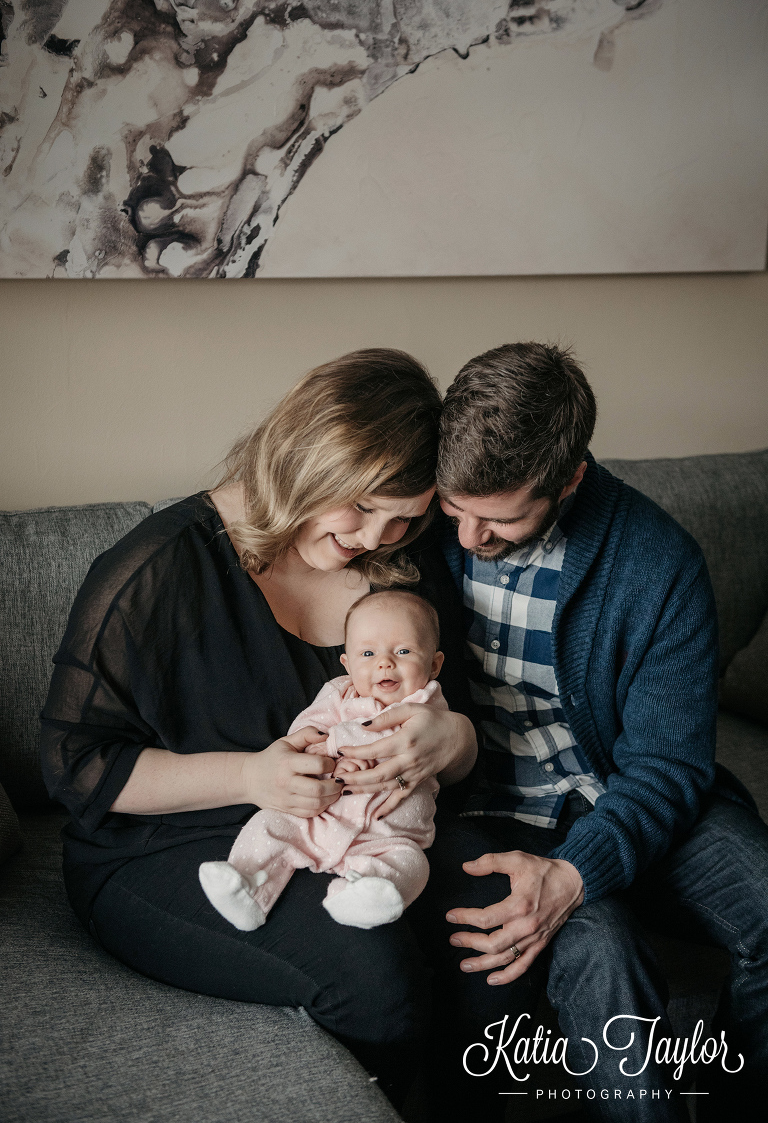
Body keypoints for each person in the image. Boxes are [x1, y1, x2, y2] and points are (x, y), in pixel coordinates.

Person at [40, 348, 477, 1108]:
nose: (376, 535)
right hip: (170, 848)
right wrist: (249, 776)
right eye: (362, 505)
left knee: (495, 933)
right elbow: (74, 765)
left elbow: (461, 728)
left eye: (405, 517)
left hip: (365, 832)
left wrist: (453, 741)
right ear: (311, 460)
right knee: (378, 981)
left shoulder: (402, 564)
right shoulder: (159, 569)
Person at [385, 342, 768, 1121]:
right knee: (606, 954)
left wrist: (577, 871)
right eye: (457, 510)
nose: (468, 539)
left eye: (499, 519)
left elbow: (666, 767)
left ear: (569, 479)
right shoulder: (415, 532)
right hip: (490, 810)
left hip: (625, 791)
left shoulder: (658, 563)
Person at [199, 589, 448, 933]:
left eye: (403, 651)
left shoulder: (428, 703)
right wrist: (324, 756)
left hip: (389, 833)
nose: (384, 662)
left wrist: (341, 743)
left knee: (412, 865)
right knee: (270, 824)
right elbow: (306, 731)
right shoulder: (337, 693)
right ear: (346, 662)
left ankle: (364, 897)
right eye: (367, 653)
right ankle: (246, 887)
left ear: (434, 664)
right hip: (318, 817)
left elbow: (400, 742)